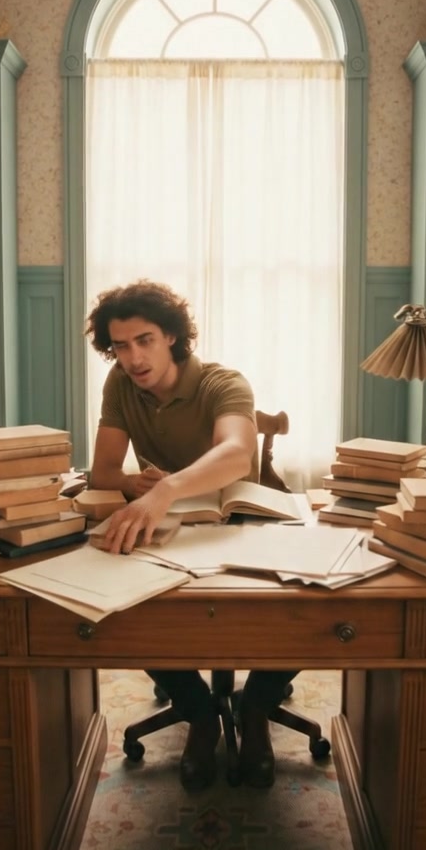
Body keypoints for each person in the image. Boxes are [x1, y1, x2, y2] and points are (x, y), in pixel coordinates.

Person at [86, 279, 297, 791]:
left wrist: (164, 492)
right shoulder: (120, 384)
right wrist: (133, 483)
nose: (133, 357)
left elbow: (235, 454)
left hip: (248, 516)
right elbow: (101, 472)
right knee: (127, 603)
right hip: (176, 528)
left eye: (145, 340)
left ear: (174, 337)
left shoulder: (223, 382)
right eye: (120, 345)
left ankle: (256, 708)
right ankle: (198, 712)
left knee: (302, 607)